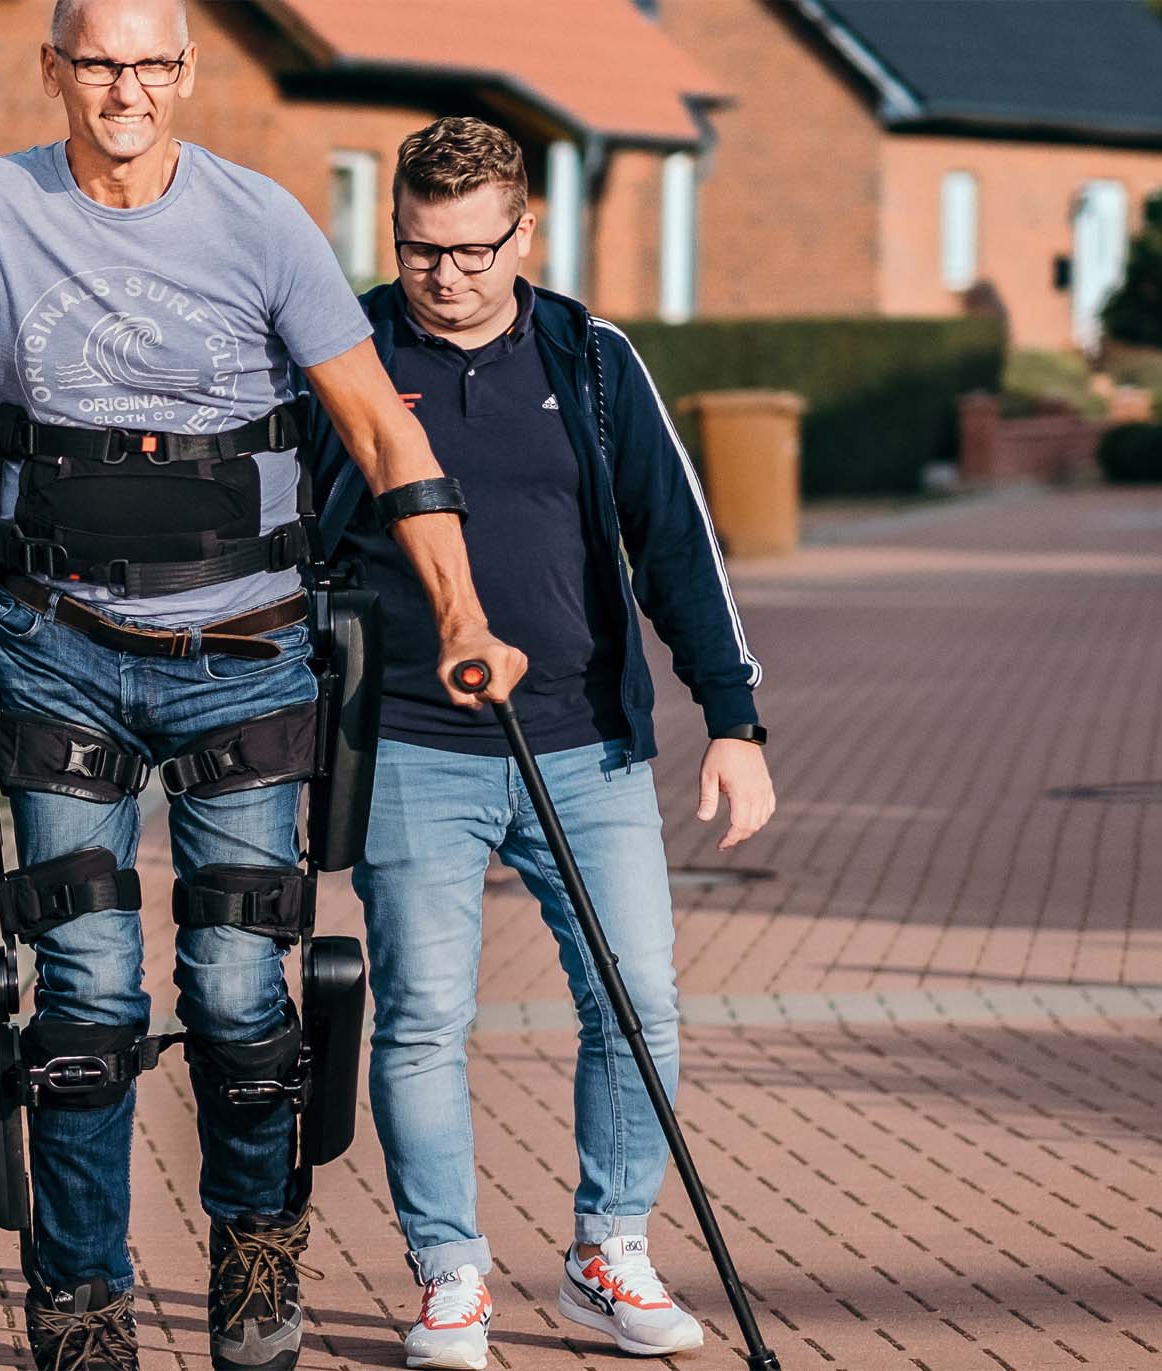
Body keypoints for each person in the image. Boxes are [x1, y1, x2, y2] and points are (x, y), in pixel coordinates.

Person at [0, 3, 529, 1367]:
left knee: (236, 985)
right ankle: (81, 1297)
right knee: (82, 994)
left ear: (188, 72)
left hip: (246, 648)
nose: (125, 89)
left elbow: (382, 425)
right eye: (98, 62)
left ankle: (256, 1247)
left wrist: (463, 612)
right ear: (54, 71)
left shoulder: (262, 221)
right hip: (55, 644)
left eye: (151, 63)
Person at [337, 118, 776, 1370]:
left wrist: (732, 720)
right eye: (423, 250)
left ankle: (608, 1250)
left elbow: (679, 547)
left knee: (639, 1003)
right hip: (416, 743)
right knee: (423, 1019)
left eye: (475, 251)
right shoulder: (351, 352)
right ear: (399, 233)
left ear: (525, 232)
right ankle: (449, 1276)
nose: (449, 277)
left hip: (586, 742)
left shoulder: (590, 358)